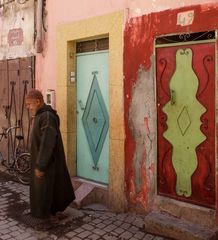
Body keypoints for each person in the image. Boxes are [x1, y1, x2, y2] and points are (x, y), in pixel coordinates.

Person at [25, 89, 75, 221]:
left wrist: (41, 165)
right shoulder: (41, 115)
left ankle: (49, 216)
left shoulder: (46, 117)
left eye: (30, 104)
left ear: (38, 101)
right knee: (49, 188)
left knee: (47, 189)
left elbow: (47, 143)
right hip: (45, 161)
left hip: (49, 162)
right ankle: (52, 213)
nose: (29, 108)